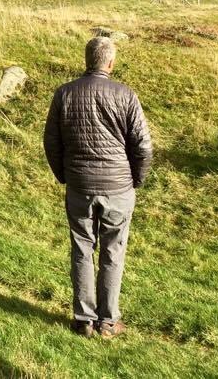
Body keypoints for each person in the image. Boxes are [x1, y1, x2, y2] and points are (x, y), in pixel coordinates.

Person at [43, 36, 153, 339]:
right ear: (111, 63)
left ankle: (84, 320)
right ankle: (108, 321)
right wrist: (136, 180)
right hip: (118, 187)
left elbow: (51, 142)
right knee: (113, 252)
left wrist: (64, 175)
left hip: (80, 185)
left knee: (81, 249)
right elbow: (143, 147)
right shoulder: (126, 95)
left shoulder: (64, 94)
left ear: (87, 60)